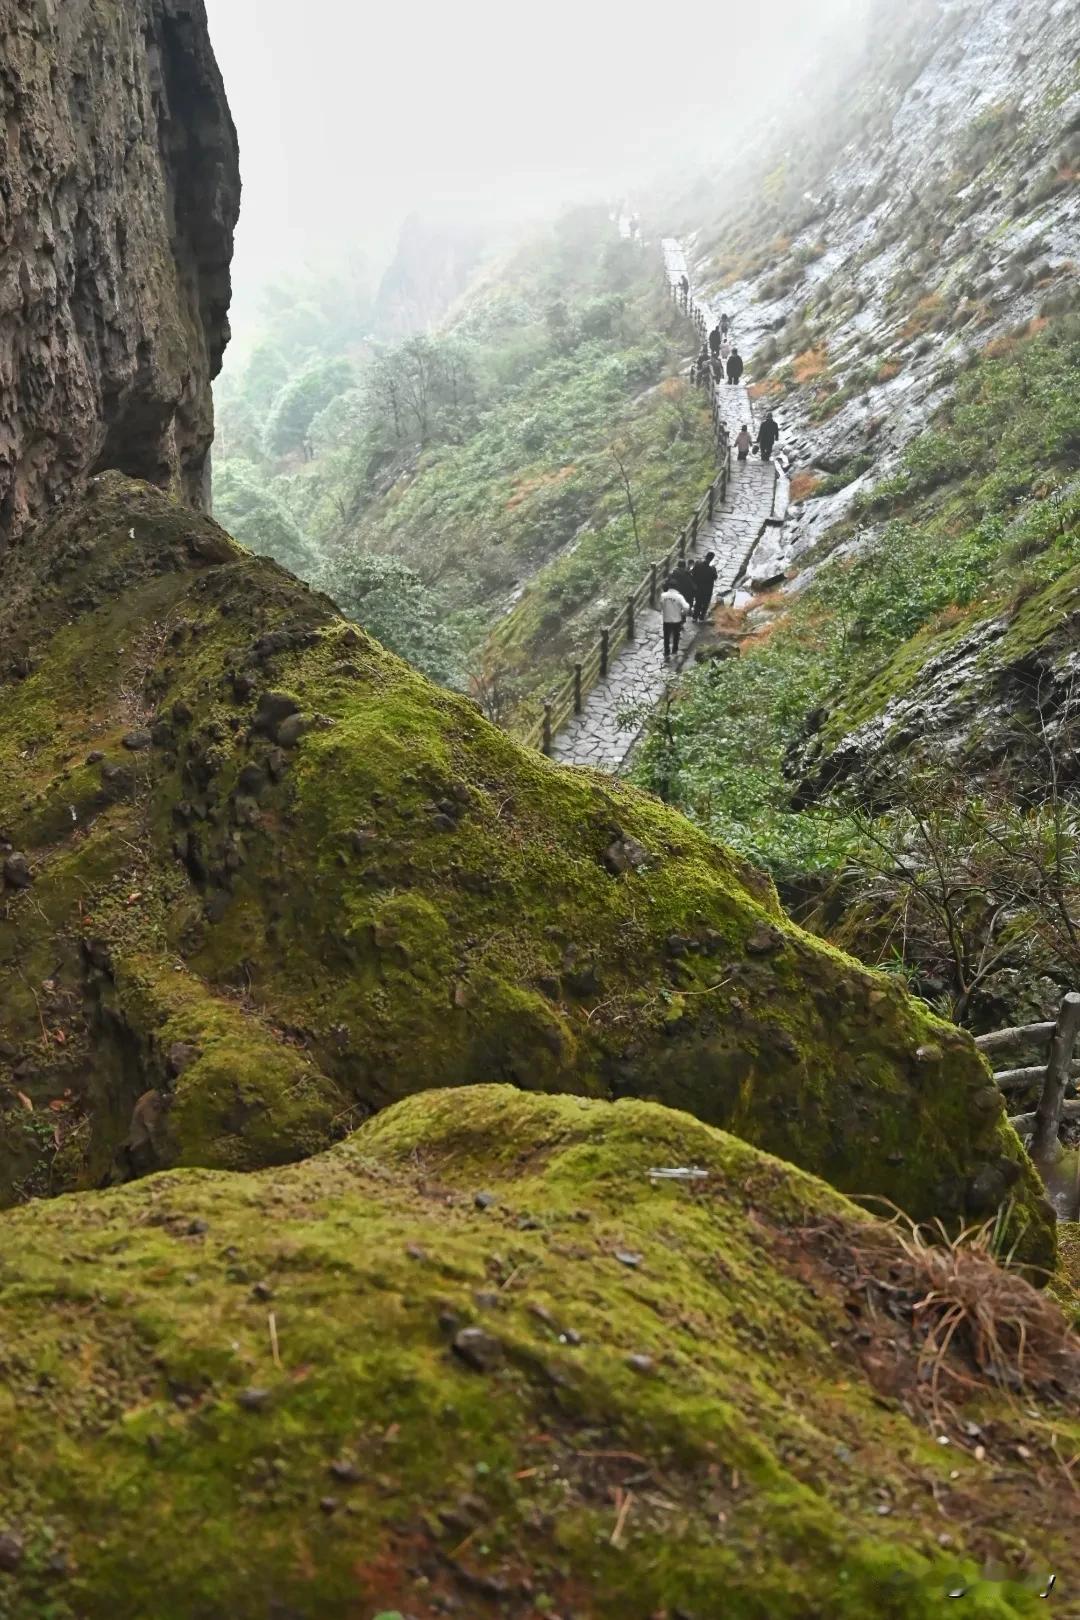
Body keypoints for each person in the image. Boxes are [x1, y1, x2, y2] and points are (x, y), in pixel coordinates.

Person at [660, 576, 690, 659]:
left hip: (666, 619)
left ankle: (666, 652)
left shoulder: (663, 595)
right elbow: (686, 607)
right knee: (676, 636)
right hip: (677, 619)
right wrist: (683, 613)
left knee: (666, 636)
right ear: (676, 587)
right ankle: (674, 651)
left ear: (669, 586)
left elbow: (661, 605)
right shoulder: (679, 597)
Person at [691, 551, 718, 622]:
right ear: (712, 559)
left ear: (706, 556)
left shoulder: (698, 565)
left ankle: (694, 617)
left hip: (698, 588)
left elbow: (692, 573)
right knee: (705, 604)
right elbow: (715, 577)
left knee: (698, 602)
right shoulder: (712, 569)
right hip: (707, 590)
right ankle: (701, 617)